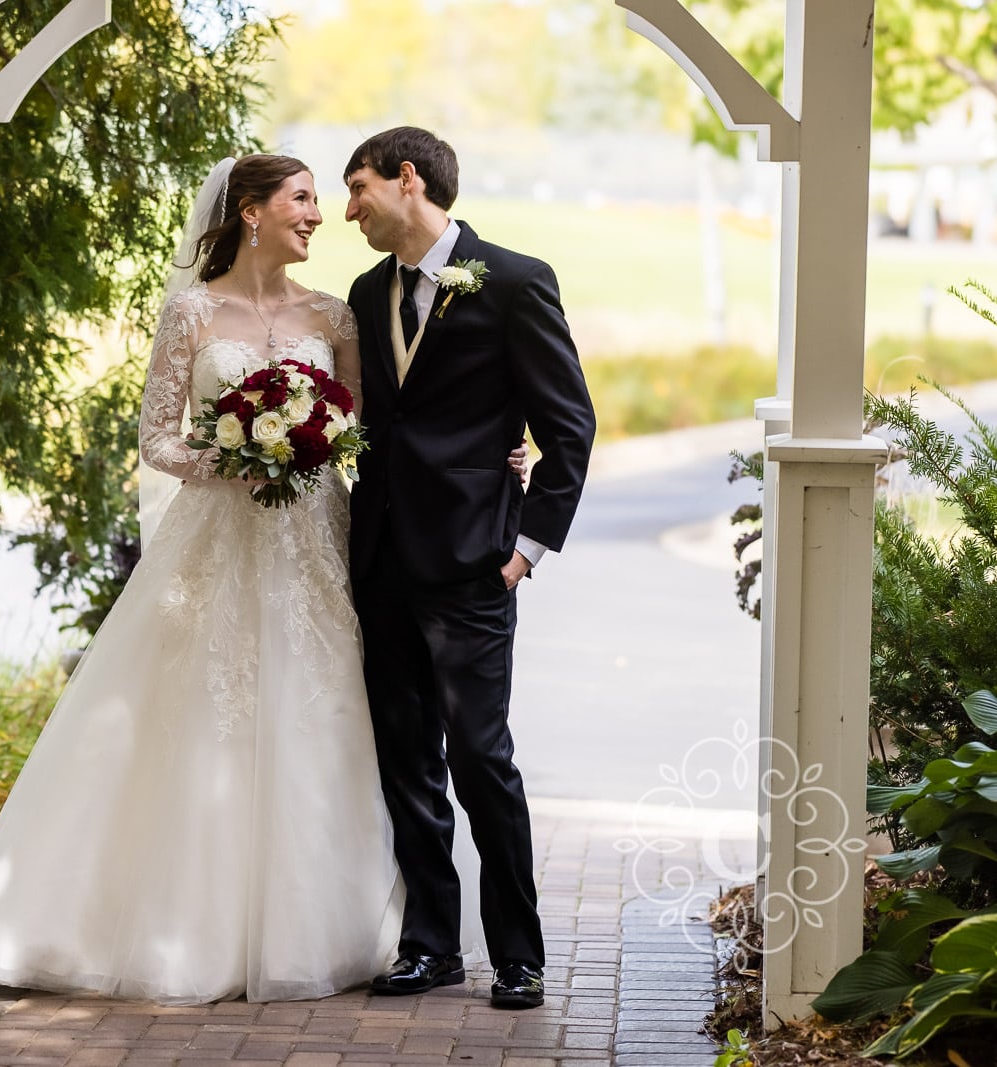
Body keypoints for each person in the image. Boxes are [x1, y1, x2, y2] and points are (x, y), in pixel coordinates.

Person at [0, 154, 520, 1004]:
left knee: (329, 715)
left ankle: (352, 924)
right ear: (250, 211)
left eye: (326, 198)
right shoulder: (191, 312)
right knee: (200, 714)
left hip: (315, 543)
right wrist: (231, 455)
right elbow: (156, 440)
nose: (320, 215)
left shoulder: (336, 311)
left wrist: (502, 455)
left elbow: (372, 425)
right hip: (217, 538)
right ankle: (175, 923)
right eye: (303, 199)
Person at [342, 128, 597, 1007]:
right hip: (379, 560)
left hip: (475, 563)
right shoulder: (366, 291)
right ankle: (431, 945)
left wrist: (526, 549)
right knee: (407, 758)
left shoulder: (517, 280)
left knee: (483, 757)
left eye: (358, 189)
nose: (349, 212)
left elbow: (570, 426)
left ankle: (518, 954)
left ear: (407, 180)